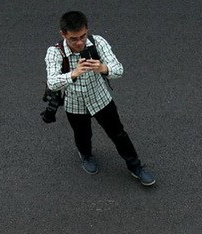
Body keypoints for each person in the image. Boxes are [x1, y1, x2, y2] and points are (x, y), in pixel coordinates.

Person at [45, 10, 156, 186]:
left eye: (83, 36)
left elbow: (118, 69)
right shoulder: (55, 52)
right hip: (75, 104)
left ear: (87, 29)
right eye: (73, 39)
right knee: (82, 134)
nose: (80, 42)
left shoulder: (98, 42)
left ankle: (136, 167)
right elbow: (52, 82)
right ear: (63, 34)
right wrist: (74, 73)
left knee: (118, 134)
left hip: (101, 99)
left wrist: (102, 68)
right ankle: (86, 155)